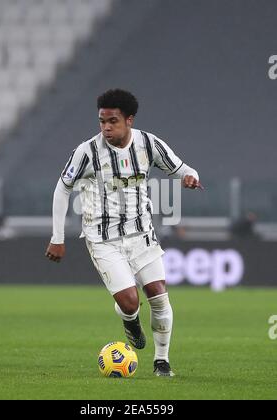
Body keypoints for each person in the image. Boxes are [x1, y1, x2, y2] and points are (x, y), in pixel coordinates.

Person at [45, 89, 202, 377]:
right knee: (130, 302)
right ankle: (130, 321)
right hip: (103, 239)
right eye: (102, 121)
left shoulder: (148, 144)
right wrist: (58, 237)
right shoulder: (87, 152)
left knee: (158, 295)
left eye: (112, 121)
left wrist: (191, 178)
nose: (106, 127)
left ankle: (162, 361)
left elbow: (182, 168)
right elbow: (62, 188)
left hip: (142, 234)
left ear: (129, 120)